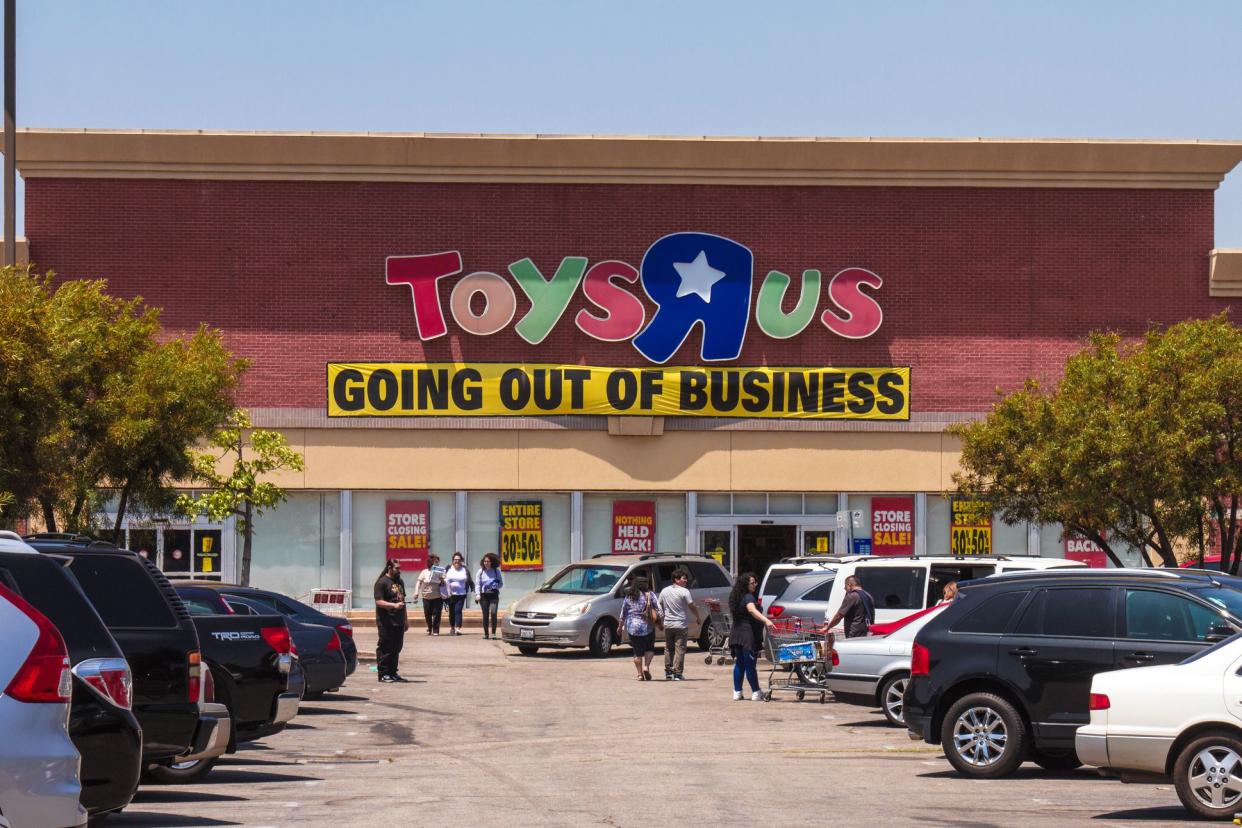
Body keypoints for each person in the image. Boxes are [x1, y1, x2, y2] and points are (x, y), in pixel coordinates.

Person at [727, 572, 775, 700]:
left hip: (736, 634)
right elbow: (752, 610)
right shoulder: (748, 597)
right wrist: (766, 620)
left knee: (740, 664)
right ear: (745, 584)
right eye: (752, 583)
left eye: (755, 582)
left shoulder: (737, 597)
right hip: (747, 635)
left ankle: (737, 692)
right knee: (750, 665)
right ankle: (756, 692)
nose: (755, 585)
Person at [657, 567, 701, 681]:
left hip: (668, 625)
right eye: (684, 578)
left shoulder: (664, 591)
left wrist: (661, 619)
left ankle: (668, 672)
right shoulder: (684, 591)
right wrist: (697, 616)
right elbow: (691, 605)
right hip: (681, 625)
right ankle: (677, 674)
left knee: (668, 649)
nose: (686, 581)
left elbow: (659, 605)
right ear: (676, 579)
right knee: (680, 649)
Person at [373, 559, 409, 682]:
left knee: (396, 648)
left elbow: (403, 602)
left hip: (399, 621)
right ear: (389, 567)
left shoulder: (400, 582)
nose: (399, 570)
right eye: (396, 568)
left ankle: (393, 672)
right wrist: (393, 606)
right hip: (386, 621)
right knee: (385, 648)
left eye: (399, 568)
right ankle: (383, 674)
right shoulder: (381, 582)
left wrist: (406, 620)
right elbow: (378, 601)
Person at [620, 575, 660, 681]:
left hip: (633, 628)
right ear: (646, 584)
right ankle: (646, 666)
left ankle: (639, 674)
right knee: (649, 648)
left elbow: (623, 613)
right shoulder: (650, 595)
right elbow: (659, 610)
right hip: (648, 627)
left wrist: (619, 627)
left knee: (637, 652)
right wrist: (659, 622)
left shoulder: (629, 596)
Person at [475, 553, 504, 639]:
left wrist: (496, 586)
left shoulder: (496, 571)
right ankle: (486, 633)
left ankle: (494, 633)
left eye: (488, 561)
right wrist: (477, 594)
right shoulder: (480, 571)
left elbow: (501, 583)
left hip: (494, 595)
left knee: (494, 613)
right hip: (484, 596)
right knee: (485, 614)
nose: (486, 563)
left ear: (491, 562)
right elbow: (477, 584)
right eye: (485, 561)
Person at [443, 552, 473, 635]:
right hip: (450, 594)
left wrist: (473, 588)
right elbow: (443, 579)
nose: (457, 561)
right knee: (451, 612)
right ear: (453, 560)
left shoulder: (464, 569)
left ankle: (458, 628)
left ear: (461, 561)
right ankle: (452, 627)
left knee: (458, 610)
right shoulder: (448, 568)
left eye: (459, 560)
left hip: (461, 594)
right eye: (455, 559)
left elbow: (469, 580)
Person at [416, 554, 446, 635]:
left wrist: (442, 580)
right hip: (426, 597)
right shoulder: (424, 572)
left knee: (437, 614)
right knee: (427, 614)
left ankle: (435, 630)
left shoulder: (440, 572)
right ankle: (429, 628)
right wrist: (416, 592)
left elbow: (444, 583)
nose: (437, 563)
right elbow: (419, 582)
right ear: (431, 562)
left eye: (438, 562)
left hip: (437, 596)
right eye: (435, 562)